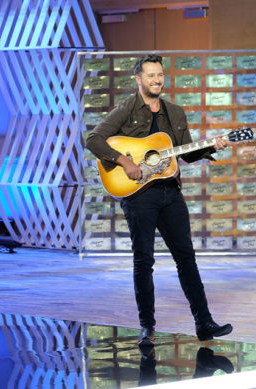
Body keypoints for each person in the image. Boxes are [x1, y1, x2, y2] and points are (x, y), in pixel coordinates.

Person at [85, 54, 233, 347]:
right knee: (144, 261)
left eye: (160, 75)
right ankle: (147, 328)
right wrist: (123, 162)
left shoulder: (175, 113)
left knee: (186, 258)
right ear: (138, 79)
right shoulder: (127, 108)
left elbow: (185, 154)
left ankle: (204, 323)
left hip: (170, 192)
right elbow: (94, 139)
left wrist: (211, 146)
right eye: (151, 75)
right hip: (139, 195)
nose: (157, 80)